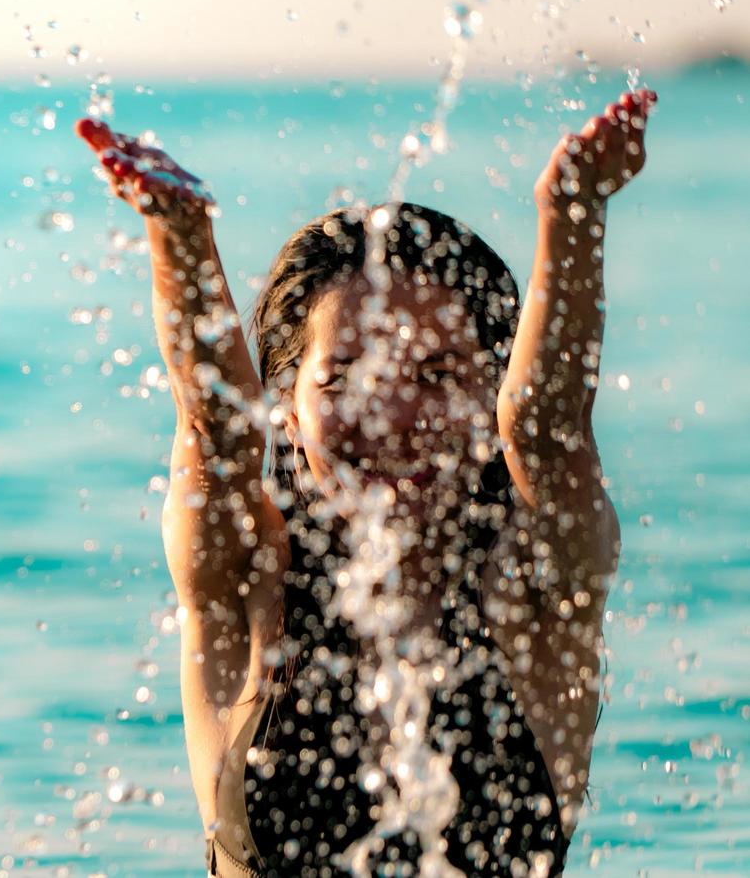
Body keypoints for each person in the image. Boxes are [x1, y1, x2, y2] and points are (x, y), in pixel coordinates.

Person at [74, 87, 654, 876]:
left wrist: (573, 211)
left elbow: (550, 437)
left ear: (494, 393)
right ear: (286, 405)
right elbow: (216, 441)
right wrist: (179, 236)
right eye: (345, 374)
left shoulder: (537, 588)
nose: (389, 411)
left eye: (437, 373)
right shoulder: (252, 587)